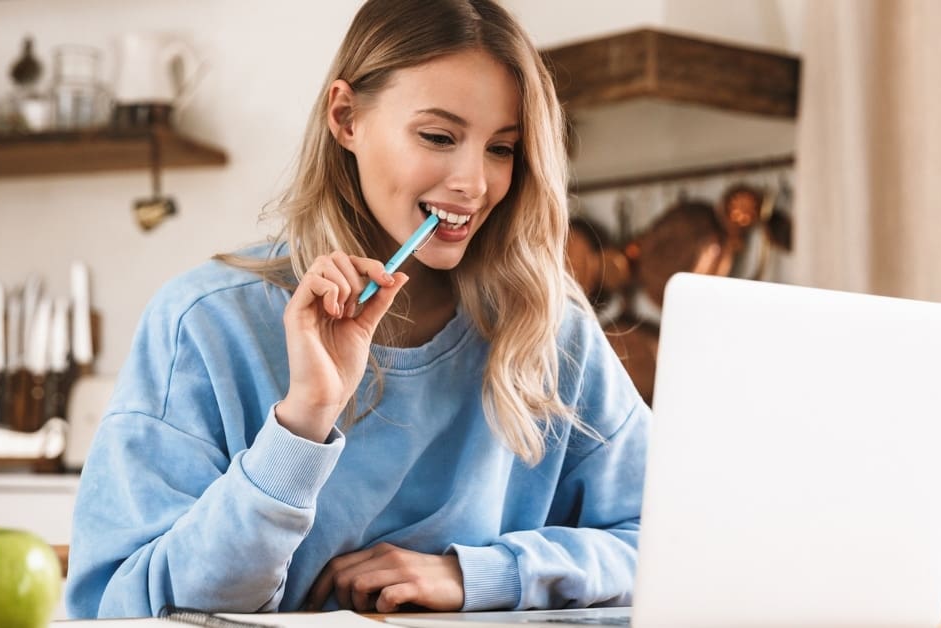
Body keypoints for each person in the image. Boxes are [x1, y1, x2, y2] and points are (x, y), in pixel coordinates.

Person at [66, 0, 649, 618]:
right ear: (346, 117)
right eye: (439, 137)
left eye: (502, 149)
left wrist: (477, 575)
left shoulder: (549, 327)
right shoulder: (205, 324)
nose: (475, 183)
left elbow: (670, 541)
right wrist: (302, 423)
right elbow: (120, 609)